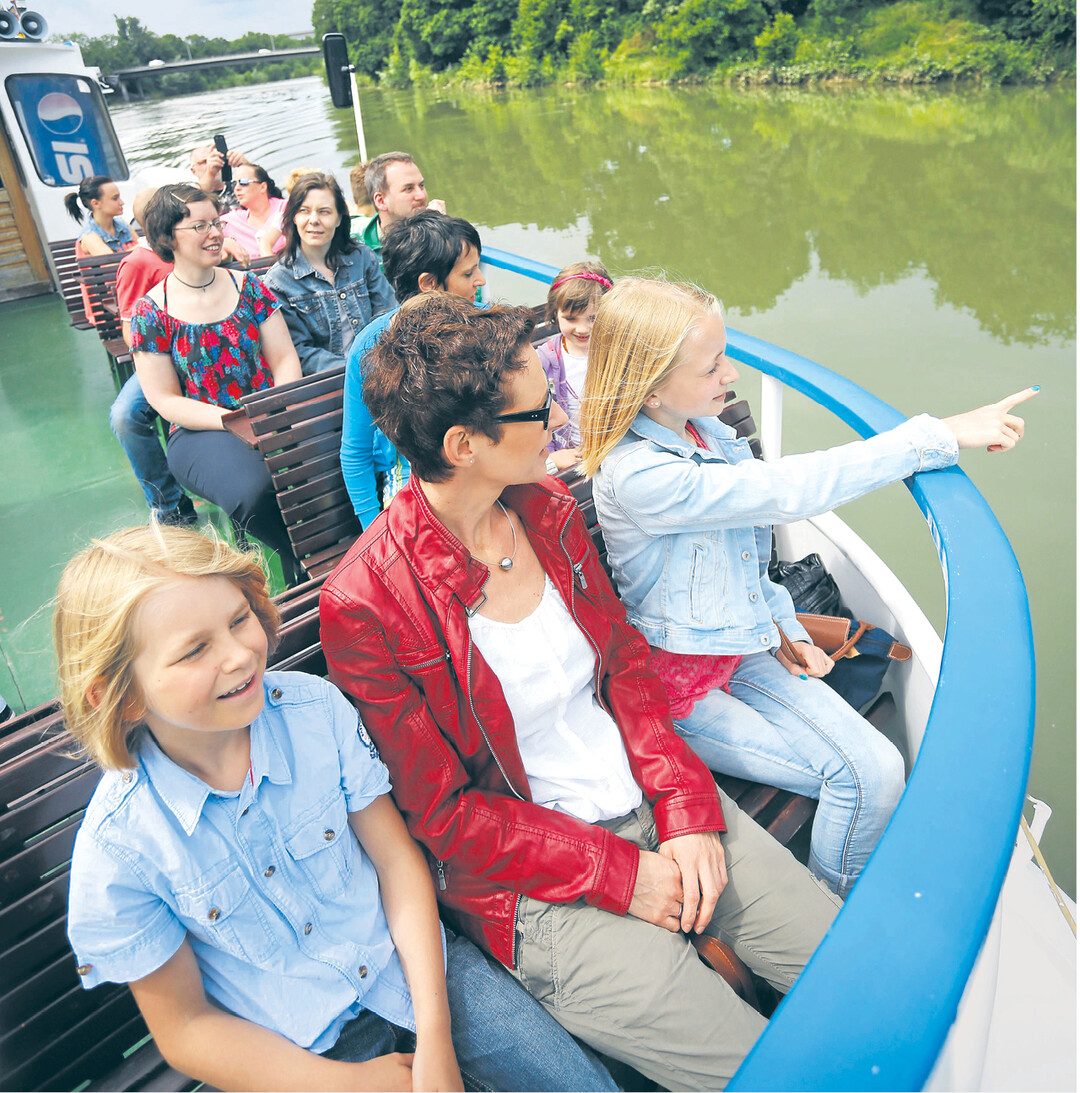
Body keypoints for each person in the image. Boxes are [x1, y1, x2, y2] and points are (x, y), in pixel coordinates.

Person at [320, 294, 842, 1091]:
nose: (565, 410)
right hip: (535, 885)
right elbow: (447, 817)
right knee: (772, 1074)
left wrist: (686, 808)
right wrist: (621, 873)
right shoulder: (368, 602)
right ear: (464, 444)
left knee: (847, 965)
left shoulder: (547, 509)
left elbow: (625, 669)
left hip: (654, 801)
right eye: (540, 407)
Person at [57, 524, 617, 1093]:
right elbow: (186, 1027)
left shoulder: (313, 712)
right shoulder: (122, 848)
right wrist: (342, 1083)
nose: (239, 655)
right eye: (195, 650)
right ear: (119, 694)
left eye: (238, 620)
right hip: (297, 1055)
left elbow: (398, 864)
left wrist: (436, 1036)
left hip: (419, 974)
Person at [578, 277, 1037, 898]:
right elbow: (789, 490)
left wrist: (785, 625)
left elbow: (739, 556)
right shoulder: (641, 476)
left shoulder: (702, 432)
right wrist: (937, 435)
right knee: (866, 779)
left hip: (736, 649)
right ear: (652, 387)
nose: (731, 374)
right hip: (674, 686)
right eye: (712, 366)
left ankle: (835, 890)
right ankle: (836, 908)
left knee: (878, 767)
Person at [130, 183, 304, 585]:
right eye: (199, 226)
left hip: (269, 411)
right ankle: (296, 563)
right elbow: (163, 398)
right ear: (165, 237)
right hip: (201, 428)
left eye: (216, 222)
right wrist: (229, 420)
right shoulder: (153, 311)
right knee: (253, 489)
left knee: (326, 460)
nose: (214, 233)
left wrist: (277, 408)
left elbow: (283, 359)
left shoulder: (248, 286)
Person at [340, 210, 487, 527]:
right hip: (413, 481)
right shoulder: (371, 348)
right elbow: (356, 453)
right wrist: (371, 527)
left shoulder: (484, 327)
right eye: (468, 273)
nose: (481, 280)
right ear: (429, 284)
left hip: (484, 467)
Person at [262, 172, 395, 376]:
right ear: (294, 217)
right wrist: (356, 369)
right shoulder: (279, 281)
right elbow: (300, 351)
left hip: (381, 370)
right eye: (304, 211)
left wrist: (377, 361)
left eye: (324, 212)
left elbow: (387, 314)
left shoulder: (362, 258)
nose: (314, 220)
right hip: (328, 384)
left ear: (339, 218)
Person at [536, 261, 614, 468]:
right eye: (571, 318)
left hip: (613, 450)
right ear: (555, 314)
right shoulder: (543, 360)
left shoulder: (618, 353)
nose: (582, 329)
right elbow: (535, 418)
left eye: (593, 318)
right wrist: (550, 458)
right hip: (569, 455)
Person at [355, 152, 446, 263]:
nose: (422, 196)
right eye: (408, 188)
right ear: (381, 201)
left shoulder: (445, 234)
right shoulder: (355, 249)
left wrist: (439, 230)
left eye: (421, 185)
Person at [221, 164, 287, 259]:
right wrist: (224, 242)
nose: (237, 188)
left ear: (263, 187)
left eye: (243, 182)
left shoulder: (287, 208)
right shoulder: (231, 221)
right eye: (233, 184)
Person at [65, 175, 137, 257]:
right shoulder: (89, 237)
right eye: (115, 198)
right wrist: (141, 248)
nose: (121, 202)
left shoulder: (124, 226)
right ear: (95, 203)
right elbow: (111, 263)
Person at [190, 143, 248, 211]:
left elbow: (260, 185)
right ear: (193, 171)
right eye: (204, 162)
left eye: (214, 158)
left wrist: (245, 166)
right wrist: (210, 174)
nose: (211, 163)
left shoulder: (237, 186)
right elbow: (188, 203)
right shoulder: (191, 195)